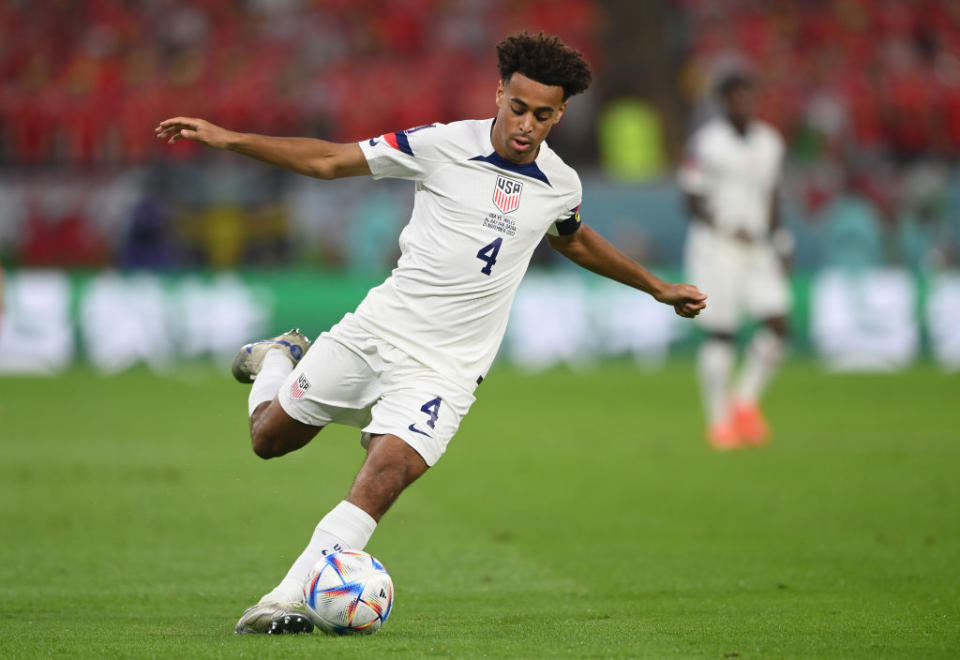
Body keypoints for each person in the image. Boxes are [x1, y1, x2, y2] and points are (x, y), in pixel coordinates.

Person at [157, 32, 707, 634]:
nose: (526, 125)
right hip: (376, 330)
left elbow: (571, 236)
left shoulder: (560, 183)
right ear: (499, 93)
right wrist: (229, 138)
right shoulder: (440, 144)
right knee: (269, 439)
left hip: (446, 368)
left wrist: (656, 287)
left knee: (389, 470)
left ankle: (281, 600)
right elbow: (329, 161)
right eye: (517, 107)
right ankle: (278, 359)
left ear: (560, 114)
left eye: (543, 115)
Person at [678, 71, 792, 450]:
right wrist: (727, 226)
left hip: (757, 246)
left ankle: (743, 400)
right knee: (721, 332)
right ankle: (719, 422)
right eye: (735, 97)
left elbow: (773, 196)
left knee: (778, 324)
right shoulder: (706, 144)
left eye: (748, 96)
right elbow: (691, 200)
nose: (742, 104)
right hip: (716, 247)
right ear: (723, 102)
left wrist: (781, 241)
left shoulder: (769, 143)